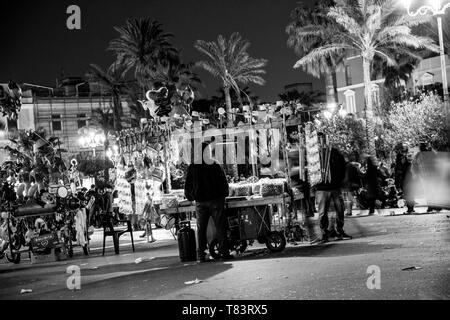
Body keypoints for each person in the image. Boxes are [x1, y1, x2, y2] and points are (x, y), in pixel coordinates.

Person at [184, 142, 231, 262]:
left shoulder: (193, 166)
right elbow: (223, 182)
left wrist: (191, 197)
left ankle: (200, 255)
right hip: (216, 200)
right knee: (220, 226)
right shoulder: (214, 164)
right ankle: (224, 252)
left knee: (201, 229)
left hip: (200, 202)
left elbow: (188, 186)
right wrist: (224, 194)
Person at [315, 146, 352, 243]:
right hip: (322, 188)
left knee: (340, 209)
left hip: (334, 187)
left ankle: (339, 231)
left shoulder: (335, 153)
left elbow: (344, 166)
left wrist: (340, 181)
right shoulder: (314, 154)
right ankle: (324, 234)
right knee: (323, 213)